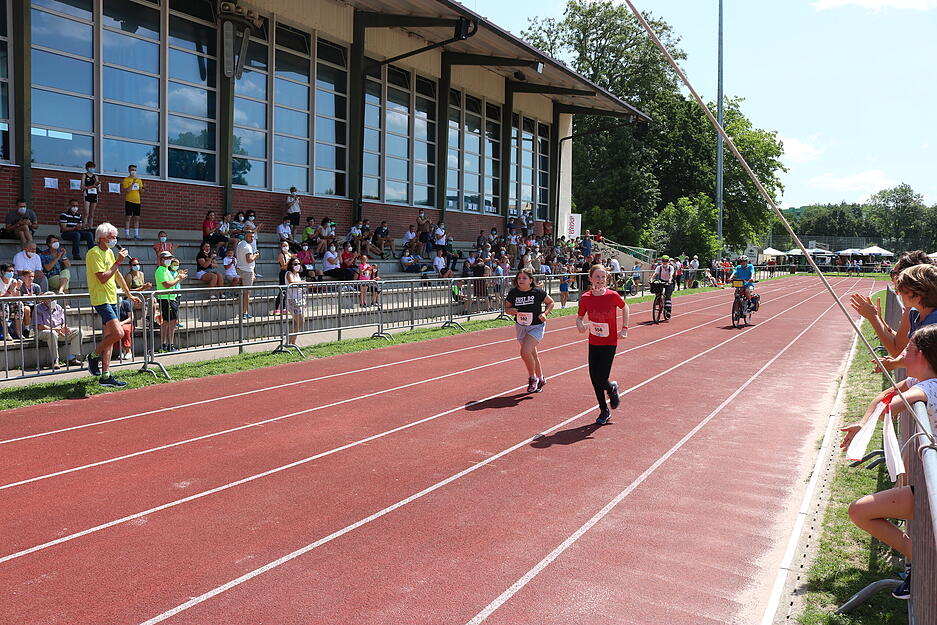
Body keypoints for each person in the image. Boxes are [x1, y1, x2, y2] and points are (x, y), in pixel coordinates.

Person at [839, 324, 937, 600]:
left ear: (924, 356)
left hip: (934, 483)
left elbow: (893, 404)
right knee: (860, 510)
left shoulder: (930, 386)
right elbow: (885, 395)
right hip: (930, 479)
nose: (904, 354)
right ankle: (918, 560)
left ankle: (918, 560)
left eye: (909, 349)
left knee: (860, 511)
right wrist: (862, 423)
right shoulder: (921, 382)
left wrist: (889, 407)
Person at [85, 222, 140, 386]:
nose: (115, 240)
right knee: (118, 333)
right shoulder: (93, 253)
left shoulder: (109, 253)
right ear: (102, 238)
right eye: (112, 237)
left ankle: (106, 376)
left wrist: (129, 295)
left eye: (115, 237)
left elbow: (117, 276)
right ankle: (94, 356)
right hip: (100, 299)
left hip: (111, 297)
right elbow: (102, 278)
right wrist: (118, 262)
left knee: (109, 337)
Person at [577, 265, 629, 424]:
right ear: (590, 278)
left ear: (606, 279)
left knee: (602, 377)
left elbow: (625, 307)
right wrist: (579, 324)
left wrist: (624, 329)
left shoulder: (612, 295)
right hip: (594, 341)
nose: (600, 280)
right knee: (594, 378)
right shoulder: (586, 297)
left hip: (609, 341)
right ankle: (603, 410)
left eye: (603, 277)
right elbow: (579, 317)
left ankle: (611, 387)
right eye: (597, 277)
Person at [504, 268, 554, 393]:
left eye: (524, 278)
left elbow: (551, 302)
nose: (521, 280)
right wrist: (511, 311)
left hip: (536, 326)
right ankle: (541, 378)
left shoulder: (537, 292)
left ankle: (533, 378)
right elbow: (507, 308)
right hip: (521, 326)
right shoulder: (513, 293)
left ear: (531, 280)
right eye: (519, 278)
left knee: (525, 352)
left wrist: (545, 313)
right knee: (532, 355)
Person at [31, 293, 83, 369]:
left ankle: (71, 358)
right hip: (42, 332)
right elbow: (40, 326)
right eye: (51, 299)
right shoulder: (38, 308)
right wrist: (56, 330)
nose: (54, 301)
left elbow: (63, 322)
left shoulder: (58, 307)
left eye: (55, 299)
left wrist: (64, 328)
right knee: (52, 333)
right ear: (44, 301)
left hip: (58, 331)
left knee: (78, 331)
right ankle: (55, 360)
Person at [155, 251, 186, 352]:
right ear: (162, 259)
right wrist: (178, 278)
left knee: (171, 322)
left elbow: (172, 283)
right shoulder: (161, 270)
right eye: (167, 258)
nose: (169, 260)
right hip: (165, 298)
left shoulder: (166, 270)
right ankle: (167, 345)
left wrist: (179, 278)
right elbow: (167, 285)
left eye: (170, 258)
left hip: (170, 298)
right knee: (169, 322)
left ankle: (167, 344)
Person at [236, 229, 260, 318]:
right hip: (246, 272)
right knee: (247, 293)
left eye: (253, 237)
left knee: (243, 293)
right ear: (246, 236)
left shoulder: (240, 244)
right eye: (251, 236)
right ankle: (244, 313)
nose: (252, 238)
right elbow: (249, 259)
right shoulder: (247, 246)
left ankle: (243, 312)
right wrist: (256, 255)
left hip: (241, 270)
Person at [285, 256, 308, 344]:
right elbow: (291, 282)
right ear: (291, 265)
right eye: (295, 264)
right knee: (301, 321)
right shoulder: (289, 273)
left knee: (296, 322)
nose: (297, 265)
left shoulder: (297, 274)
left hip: (300, 299)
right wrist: (302, 282)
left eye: (298, 264)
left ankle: (291, 342)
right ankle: (290, 341)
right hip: (292, 300)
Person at [121, 164, 144, 240]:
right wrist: (133, 183)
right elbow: (127, 190)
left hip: (137, 201)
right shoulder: (126, 179)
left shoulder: (139, 180)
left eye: (135, 170)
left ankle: (136, 234)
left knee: (137, 218)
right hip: (129, 200)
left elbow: (141, 191)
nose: (133, 171)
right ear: (129, 170)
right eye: (132, 170)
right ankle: (127, 234)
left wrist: (142, 188)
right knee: (128, 217)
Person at [273, 241, 295, 314]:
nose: (285, 247)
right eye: (284, 246)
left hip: (288, 273)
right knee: (282, 290)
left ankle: (285, 308)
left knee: (287, 290)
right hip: (283, 273)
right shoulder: (281, 255)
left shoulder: (289, 254)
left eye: (287, 245)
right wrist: (290, 260)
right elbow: (283, 266)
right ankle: (277, 308)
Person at [81, 161, 100, 228]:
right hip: (87, 194)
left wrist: (98, 186)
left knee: (92, 213)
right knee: (86, 212)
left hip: (94, 194)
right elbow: (82, 187)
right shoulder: (84, 175)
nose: (92, 169)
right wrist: (91, 186)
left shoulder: (96, 176)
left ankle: (90, 227)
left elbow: (98, 187)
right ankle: (84, 226)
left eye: (93, 167)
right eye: (90, 167)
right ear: (87, 168)